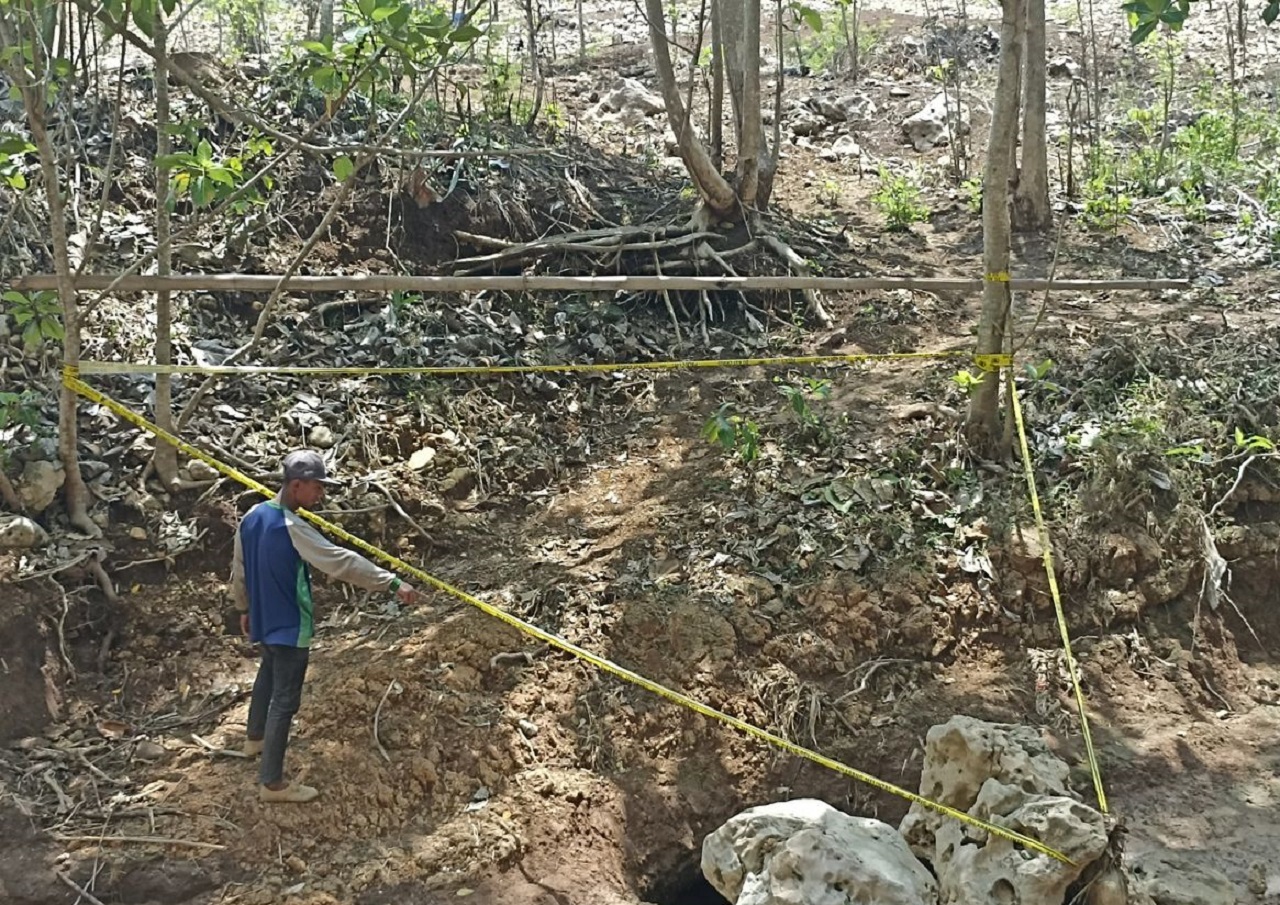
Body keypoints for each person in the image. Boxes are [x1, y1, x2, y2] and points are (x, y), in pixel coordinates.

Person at [231, 449, 420, 803]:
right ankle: (272, 783)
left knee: (267, 674)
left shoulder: (253, 516)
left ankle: (253, 739)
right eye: (317, 488)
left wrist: (243, 607)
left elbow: (238, 568)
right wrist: (393, 583)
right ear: (297, 485)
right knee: (285, 701)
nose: (321, 495)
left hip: (264, 619)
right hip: (289, 623)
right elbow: (341, 562)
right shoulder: (292, 526)